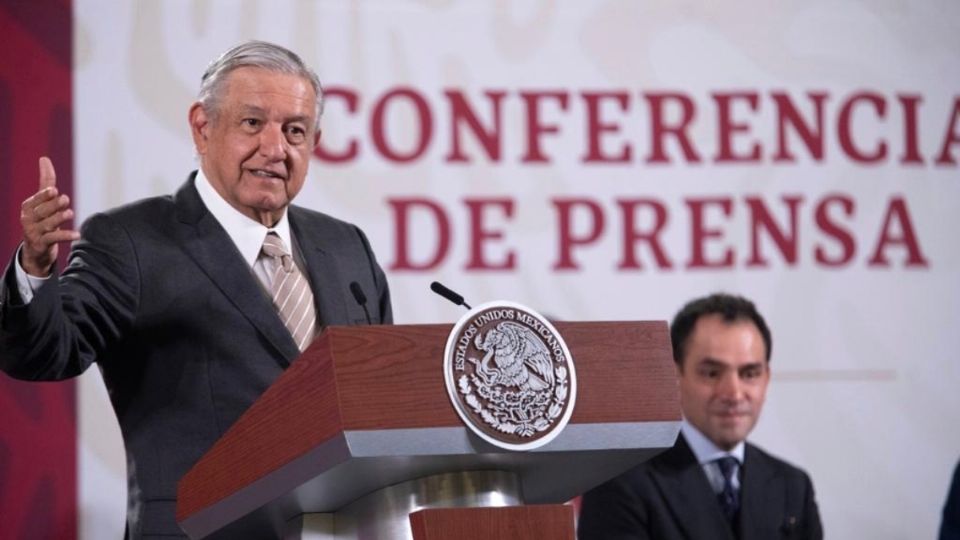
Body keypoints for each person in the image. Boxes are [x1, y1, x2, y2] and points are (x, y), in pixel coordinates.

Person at [0, 41, 391, 539]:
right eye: (252, 123)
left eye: (294, 131)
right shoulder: (131, 241)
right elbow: (46, 353)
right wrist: (34, 267)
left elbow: (378, 409)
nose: (275, 149)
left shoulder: (346, 247)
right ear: (203, 128)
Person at [578, 293, 822, 540]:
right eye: (712, 373)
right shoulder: (621, 484)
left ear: (766, 379)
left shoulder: (793, 486)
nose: (734, 393)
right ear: (675, 376)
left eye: (749, 373)